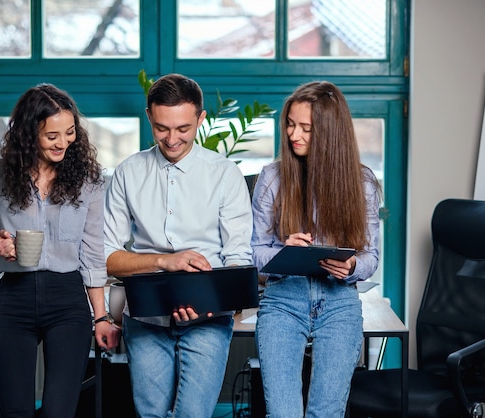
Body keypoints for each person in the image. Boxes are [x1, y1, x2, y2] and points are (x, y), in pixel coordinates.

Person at [103, 73, 253, 417]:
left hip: (209, 318)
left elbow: (237, 257)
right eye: (162, 128)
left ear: (201, 119)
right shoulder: (128, 173)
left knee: (193, 415)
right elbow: (108, 257)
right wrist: (164, 262)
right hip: (145, 317)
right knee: (151, 414)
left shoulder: (224, 173)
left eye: (183, 128)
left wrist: (212, 303)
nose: (172, 139)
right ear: (149, 117)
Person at [0, 83, 119, 418]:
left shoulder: (88, 179)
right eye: (52, 135)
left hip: (67, 302)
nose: (63, 142)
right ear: (28, 132)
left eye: (69, 133)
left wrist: (102, 316)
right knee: (16, 411)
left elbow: (93, 253)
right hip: (14, 300)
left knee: (57, 412)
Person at [251, 81, 381, 418]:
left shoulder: (362, 183)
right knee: (283, 413)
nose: (294, 134)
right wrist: (283, 252)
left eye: (306, 128)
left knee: (326, 412)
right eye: (291, 124)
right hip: (282, 302)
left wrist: (352, 267)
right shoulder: (272, 178)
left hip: (339, 304)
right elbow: (255, 255)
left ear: (329, 131)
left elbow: (371, 258)